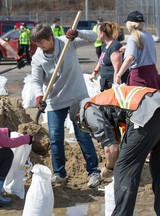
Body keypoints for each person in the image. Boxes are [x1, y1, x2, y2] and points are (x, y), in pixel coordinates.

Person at [69, 85, 160, 216]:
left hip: (146, 112)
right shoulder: (105, 102)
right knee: (158, 170)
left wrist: (109, 168)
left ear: (79, 115)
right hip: (154, 104)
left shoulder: (89, 108)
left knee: (124, 169)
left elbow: (112, 149)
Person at [30, 24, 101, 188]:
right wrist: (39, 96)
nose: (39, 47)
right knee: (55, 138)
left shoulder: (68, 42)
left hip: (77, 97)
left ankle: (93, 172)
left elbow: (93, 37)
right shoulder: (38, 57)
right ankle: (59, 174)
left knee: (83, 135)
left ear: (50, 38)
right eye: (37, 45)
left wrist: (77, 33)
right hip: (55, 101)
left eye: (41, 43)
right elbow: (35, 80)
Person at [114, 11, 160, 89]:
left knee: (139, 100)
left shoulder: (132, 38)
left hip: (139, 76)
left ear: (129, 24)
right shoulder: (148, 35)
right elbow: (145, 49)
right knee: (152, 100)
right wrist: (128, 47)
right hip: (152, 73)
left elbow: (129, 58)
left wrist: (118, 75)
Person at [89, 22, 127, 92]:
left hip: (112, 83)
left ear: (103, 33)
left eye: (98, 32)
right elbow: (101, 60)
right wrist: (94, 73)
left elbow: (117, 69)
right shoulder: (104, 45)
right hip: (105, 82)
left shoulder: (115, 46)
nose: (97, 34)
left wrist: (116, 85)